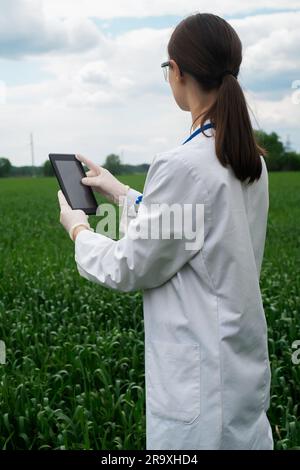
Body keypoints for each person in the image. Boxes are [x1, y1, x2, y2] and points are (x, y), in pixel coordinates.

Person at [57, 12, 273, 450]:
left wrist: (79, 230)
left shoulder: (183, 165)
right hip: (239, 372)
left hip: (198, 392)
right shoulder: (247, 158)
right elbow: (187, 226)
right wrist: (119, 192)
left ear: (176, 71)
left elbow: (129, 266)